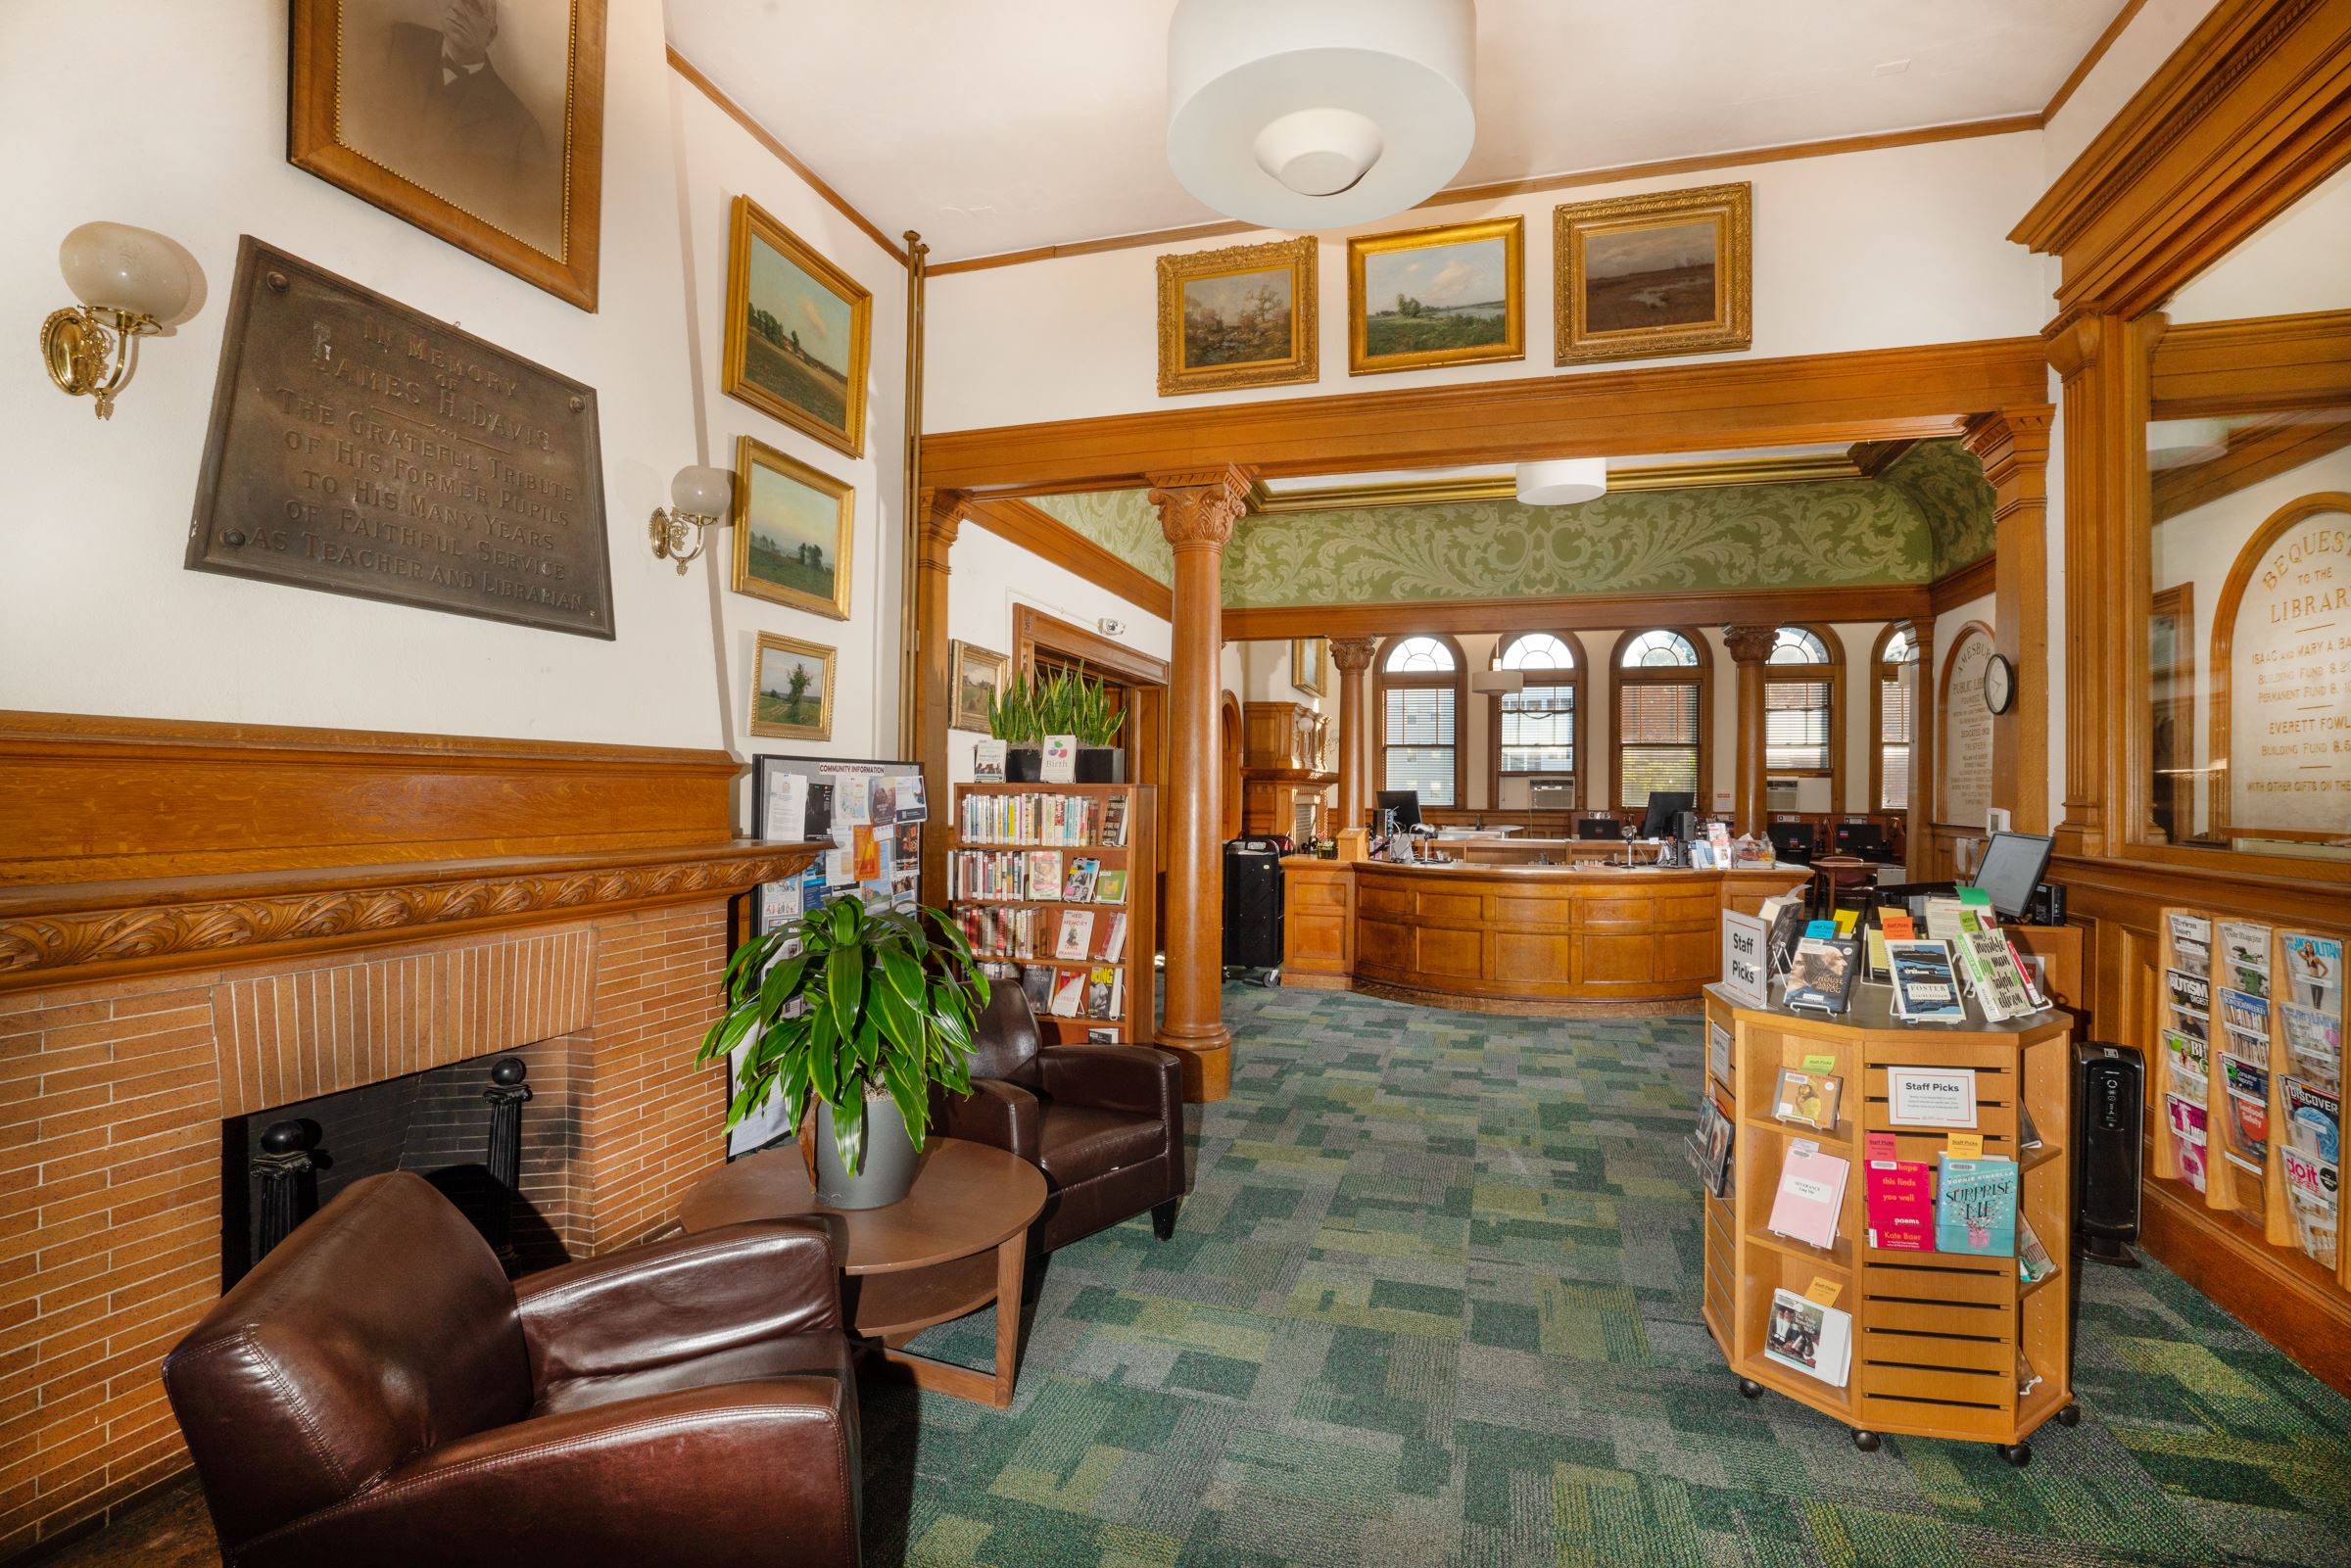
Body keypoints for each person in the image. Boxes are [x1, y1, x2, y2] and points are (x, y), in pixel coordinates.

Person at [372, 0, 557, 245]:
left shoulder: (521, 129)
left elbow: (524, 230)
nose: (458, 7)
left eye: (473, 5)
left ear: (491, 33)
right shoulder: (397, 42)